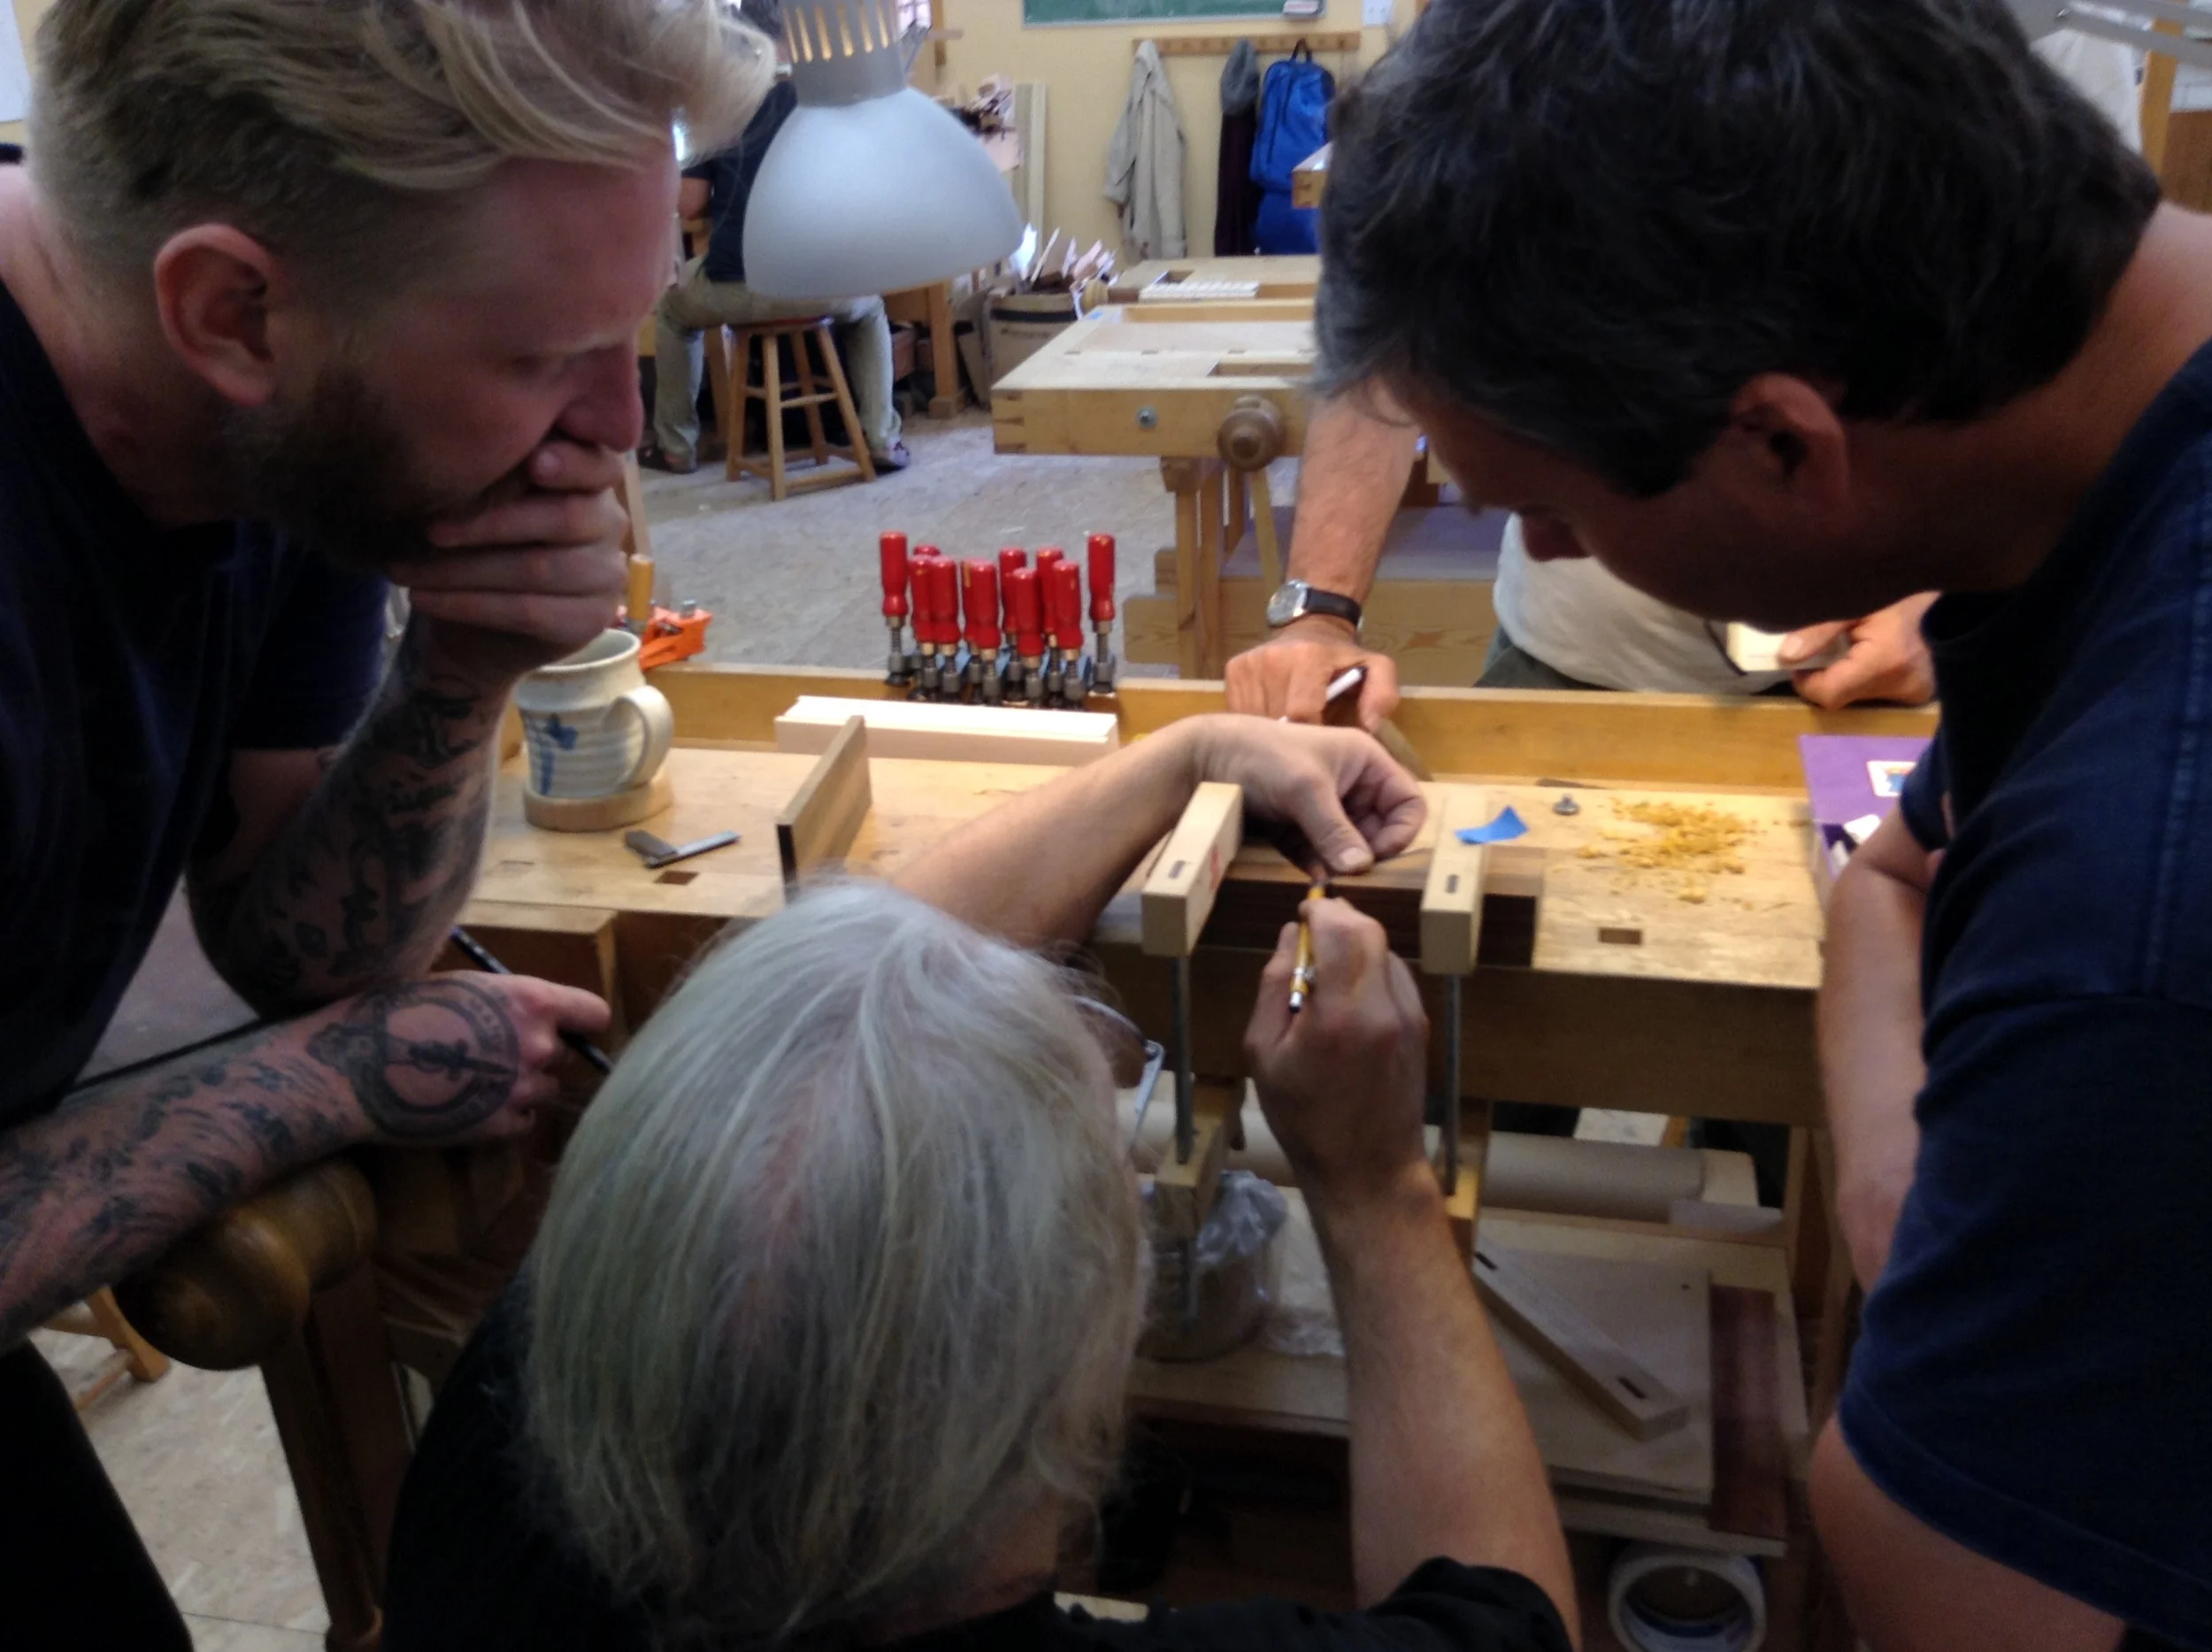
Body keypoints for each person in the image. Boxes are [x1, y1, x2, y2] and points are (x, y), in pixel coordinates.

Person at [1317, 1, 2210, 1648]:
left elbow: (1928, 1571)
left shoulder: (2133, 912)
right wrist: (1913, 1204)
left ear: (1787, 443)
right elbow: (1893, 872)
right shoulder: (2113, 479)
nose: (1549, 562)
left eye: (1556, 515)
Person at [0, 2, 772, 1645]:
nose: (624, 436)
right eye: (541, 358)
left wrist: (461, 674)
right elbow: (315, 1031)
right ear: (230, 312)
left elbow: (294, 944)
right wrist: (328, 1081)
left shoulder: (267, 435)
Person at [382, 716, 1578, 1652]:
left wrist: (1189, 759)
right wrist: (1374, 1186)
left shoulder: (510, 1465)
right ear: (1078, 1410)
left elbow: (805, 1033)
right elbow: (1506, 1617)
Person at [1224, 31, 2140, 727]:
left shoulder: (2039, 38)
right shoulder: (1514, 31)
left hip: (1893, 654)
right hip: (1577, 657)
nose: (1536, 535)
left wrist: (1955, 597)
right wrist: (1320, 612)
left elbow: (2084, 351)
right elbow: (1395, 293)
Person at [644, 0, 910, 477]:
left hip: (738, 286)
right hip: (822, 282)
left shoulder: (721, 102)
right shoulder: (833, 94)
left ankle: (675, 447)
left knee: (672, 311)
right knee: (869, 309)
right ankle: (881, 438)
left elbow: (688, 204)